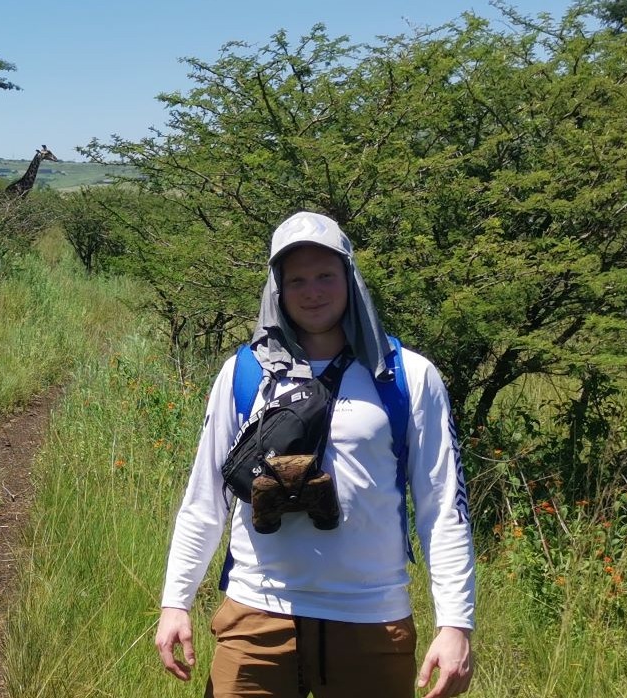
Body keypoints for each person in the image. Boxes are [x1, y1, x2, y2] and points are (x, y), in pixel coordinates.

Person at [155, 211, 478, 697]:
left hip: (371, 621)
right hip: (255, 618)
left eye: (326, 275)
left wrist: (455, 625)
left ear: (350, 278)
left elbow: (442, 507)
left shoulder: (407, 377)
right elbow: (205, 499)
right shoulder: (244, 374)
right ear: (277, 290)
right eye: (297, 279)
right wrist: (175, 602)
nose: (313, 291)